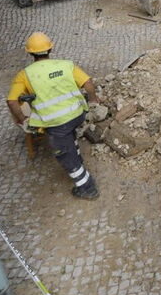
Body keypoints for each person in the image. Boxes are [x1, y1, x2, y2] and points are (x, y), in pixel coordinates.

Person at [6, 32, 100, 200]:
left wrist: (23, 120)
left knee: (65, 154)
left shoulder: (25, 75)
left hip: (56, 123)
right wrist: (93, 101)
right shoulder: (66, 65)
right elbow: (88, 83)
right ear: (50, 48)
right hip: (77, 114)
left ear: (30, 52)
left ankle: (87, 187)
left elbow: (12, 101)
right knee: (69, 136)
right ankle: (76, 154)